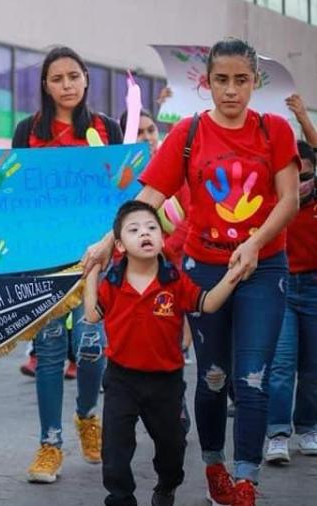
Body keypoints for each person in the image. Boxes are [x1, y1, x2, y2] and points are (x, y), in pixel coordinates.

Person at [83, 39, 300, 505]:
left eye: (241, 80)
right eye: (221, 80)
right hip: (202, 267)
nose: (231, 90)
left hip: (262, 268)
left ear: (253, 82)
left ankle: (246, 479)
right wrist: (108, 241)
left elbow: (290, 199)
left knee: (253, 376)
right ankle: (215, 468)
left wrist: (255, 243)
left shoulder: (275, 130)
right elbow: (150, 196)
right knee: (214, 376)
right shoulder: (189, 132)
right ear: (207, 82)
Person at [11, 46, 122, 484]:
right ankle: (49, 443)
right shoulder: (28, 130)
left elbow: (121, 187)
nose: (67, 85)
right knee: (50, 352)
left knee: (93, 347)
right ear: (45, 85)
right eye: (57, 79)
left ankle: (87, 416)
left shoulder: (106, 128)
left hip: (96, 258)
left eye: (74, 76)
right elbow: (16, 192)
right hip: (42, 261)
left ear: (86, 79)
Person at [85, 201, 241, 506]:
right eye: (134, 229)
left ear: (162, 237)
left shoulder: (174, 280)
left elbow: (207, 303)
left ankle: (167, 486)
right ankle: (120, 497)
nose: (145, 233)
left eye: (151, 227)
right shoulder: (114, 283)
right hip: (121, 380)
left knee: (172, 448)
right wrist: (91, 273)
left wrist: (233, 275)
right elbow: (92, 314)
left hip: (166, 382)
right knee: (115, 450)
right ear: (119, 245)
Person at [263, 93, 317, 463]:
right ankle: (278, 433)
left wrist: (302, 118)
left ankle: (309, 429)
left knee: (312, 368)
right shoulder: (274, 201)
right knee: (281, 366)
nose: (300, 184)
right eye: (293, 175)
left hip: (314, 290)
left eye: (307, 175)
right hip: (281, 289)